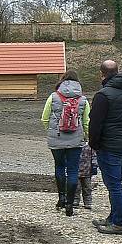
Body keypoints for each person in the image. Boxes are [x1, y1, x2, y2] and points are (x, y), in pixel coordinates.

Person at [89, 60, 122, 235]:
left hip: (109, 145)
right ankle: (113, 217)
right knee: (115, 182)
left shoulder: (103, 95)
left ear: (102, 74)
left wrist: (94, 144)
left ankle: (120, 222)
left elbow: (95, 124)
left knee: (114, 185)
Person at [41, 70, 90, 217]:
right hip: (76, 140)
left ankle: (61, 198)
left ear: (62, 82)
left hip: (56, 137)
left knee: (59, 167)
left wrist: (51, 131)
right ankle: (70, 204)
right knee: (73, 170)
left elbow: (44, 118)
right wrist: (85, 136)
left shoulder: (53, 97)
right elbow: (87, 122)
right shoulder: (83, 100)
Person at [73, 144, 98, 209]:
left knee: (87, 188)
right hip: (76, 172)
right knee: (76, 187)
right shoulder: (74, 146)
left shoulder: (90, 147)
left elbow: (94, 157)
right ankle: (75, 201)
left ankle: (88, 202)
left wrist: (94, 167)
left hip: (87, 172)